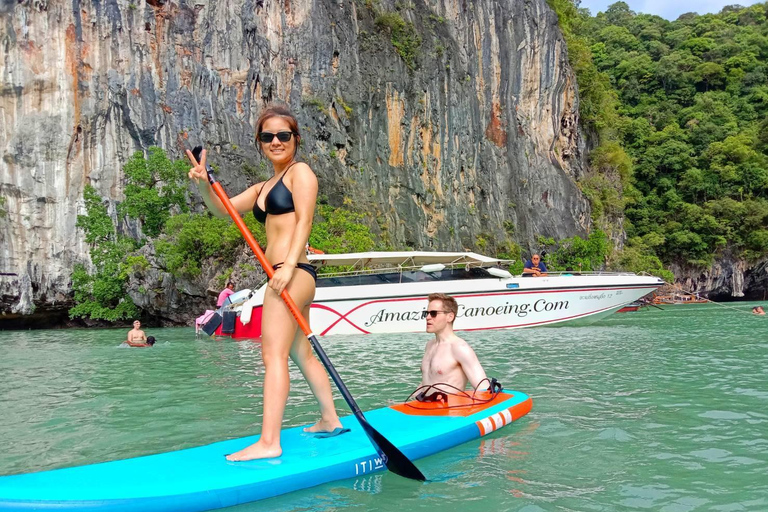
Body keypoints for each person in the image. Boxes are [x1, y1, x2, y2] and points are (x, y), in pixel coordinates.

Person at [187, 105, 342, 461]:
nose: (276, 141)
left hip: (291, 273)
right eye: (267, 136)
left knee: (272, 355)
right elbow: (221, 209)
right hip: (285, 274)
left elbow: (304, 221)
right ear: (259, 143)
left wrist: (287, 266)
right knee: (299, 351)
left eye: (283, 135)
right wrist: (204, 181)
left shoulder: (300, 172)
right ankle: (330, 419)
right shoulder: (263, 186)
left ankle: (269, 442)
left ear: (295, 139)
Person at [420, 293, 488, 394]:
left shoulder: (460, 348)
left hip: (450, 408)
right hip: (425, 406)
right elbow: (427, 383)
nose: (428, 317)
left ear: (450, 317)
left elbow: (483, 387)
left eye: (433, 313)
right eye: (426, 313)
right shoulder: (429, 345)